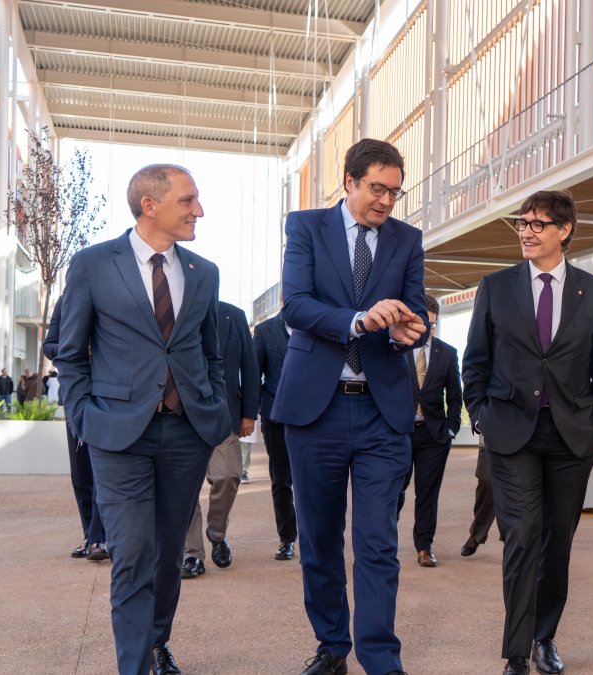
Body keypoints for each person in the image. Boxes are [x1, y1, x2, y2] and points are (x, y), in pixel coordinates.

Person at [56, 164, 227, 675]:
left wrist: (213, 405)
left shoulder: (204, 272)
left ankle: (156, 643)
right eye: (188, 200)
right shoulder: (92, 266)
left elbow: (209, 352)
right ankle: (134, 666)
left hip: (186, 433)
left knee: (169, 551)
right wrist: (84, 416)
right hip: (117, 433)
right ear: (149, 205)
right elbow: (70, 353)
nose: (199, 210)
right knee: (132, 553)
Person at [273, 138, 428, 675]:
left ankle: (381, 659)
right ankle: (333, 646)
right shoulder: (305, 227)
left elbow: (416, 310)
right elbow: (294, 305)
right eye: (377, 189)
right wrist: (358, 321)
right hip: (316, 411)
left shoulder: (408, 239)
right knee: (317, 541)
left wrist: (412, 331)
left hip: (383, 412)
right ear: (350, 182)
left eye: (395, 191)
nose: (387, 201)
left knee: (377, 543)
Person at [462, 189, 593, 675]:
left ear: (564, 231)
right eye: (522, 223)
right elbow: (476, 363)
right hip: (512, 434)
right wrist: (482, 417)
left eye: (537, 223)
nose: (526, 231)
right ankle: (515, 652)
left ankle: (544, 637)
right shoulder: (495, 286)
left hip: (572, 437)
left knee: (558, 540)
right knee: (523, 537)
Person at [182, 301, 259, 578]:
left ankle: (216, 532)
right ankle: (192, 555)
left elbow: (250, 366)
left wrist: (249, 413)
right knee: (184, 488)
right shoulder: (178, 310)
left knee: (228, 475)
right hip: (181, 415)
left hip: (223, 414)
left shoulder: (233, 315)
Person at [396, 293, 463, 567]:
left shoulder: (447, 354)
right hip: (399, 433)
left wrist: (451, 429)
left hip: (434, 435)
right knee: (394, 490)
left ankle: (424, 546)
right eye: (424, 323)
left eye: (432, 324)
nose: (428, 329)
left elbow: (455, 396)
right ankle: (384, 540)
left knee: (427, 494)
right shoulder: (396, 349)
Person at [44, 298, 108, 560]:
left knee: (103, 469)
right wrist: (76, 348)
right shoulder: (65, 303)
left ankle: (99, 539)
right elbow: (49, 345)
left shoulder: (112, 296)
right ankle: (90, 537)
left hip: (110, 395)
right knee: (81, 473)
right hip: (75, 396)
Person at [255, 307, 298, 560]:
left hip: (313, 418)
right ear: (284, 298)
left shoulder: (315, 326)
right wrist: (260, 407)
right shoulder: (264, 330)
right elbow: (254, 372)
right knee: (281, 480)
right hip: (276, 417)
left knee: (312, 481)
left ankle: (315, 538)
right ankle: (287, 538)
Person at [460, 436, 498, 557]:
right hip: (490, 435)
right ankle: (477, 533)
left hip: (523, 436)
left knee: (517, 490)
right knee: (487, 482)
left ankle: (511, 539)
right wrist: (477, 421)